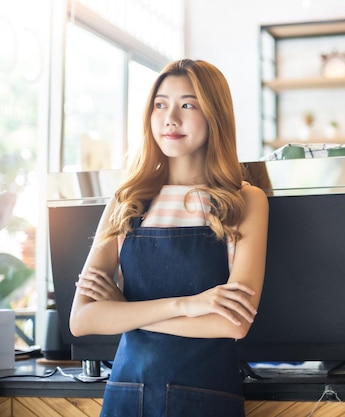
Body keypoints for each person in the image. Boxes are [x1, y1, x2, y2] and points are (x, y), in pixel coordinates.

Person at [69, 59, 269, 417]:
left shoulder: (245, 200)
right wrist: (187, 305)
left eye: (187, 104)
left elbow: (232, 323)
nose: (170, 118)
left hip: (206, 398)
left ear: (215, 115)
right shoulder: (126, 199)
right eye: (160, 104)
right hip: (126, 396)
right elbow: (82, 320)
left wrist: (124, 312)